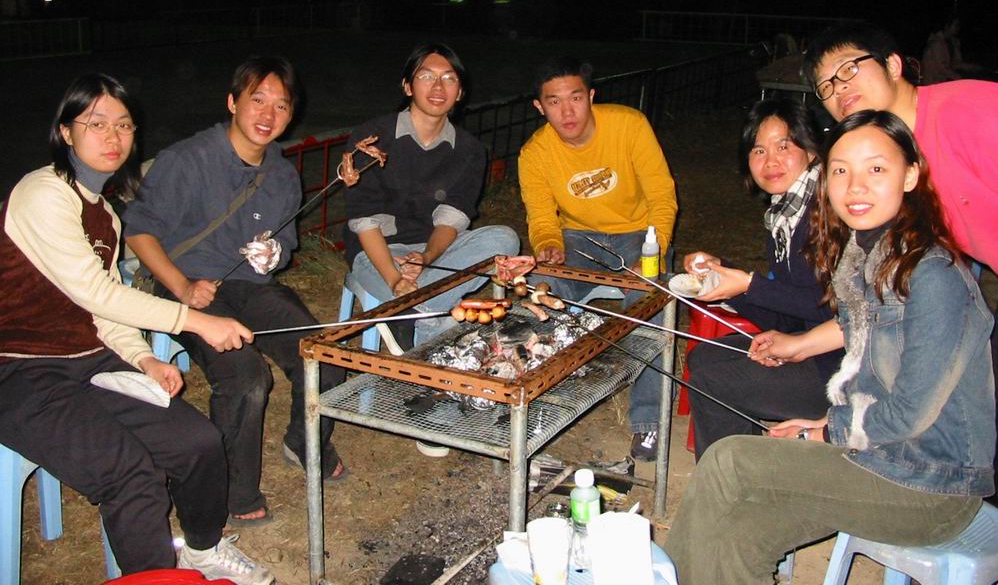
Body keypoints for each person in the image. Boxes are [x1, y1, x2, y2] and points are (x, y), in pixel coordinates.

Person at [665, 110, 995, 584]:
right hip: (878, 457)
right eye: (841, 170)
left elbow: (909, 415)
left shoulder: (933, 275)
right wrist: (820, 417)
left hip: (928, 484)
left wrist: (820, 434)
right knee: (740, 531)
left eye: (875, 168)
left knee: (729, 460)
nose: (855, 186)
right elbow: (862, 354)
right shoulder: (871, 254)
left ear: (910, 176)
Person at [0, 74, 275, 584]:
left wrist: (143, 358)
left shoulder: (106, 215)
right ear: (66, 132)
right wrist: (196, 321)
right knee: (131, 474)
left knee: (197, 442)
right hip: (19, 367)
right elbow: (95, 292)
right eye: (97, 124)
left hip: (88, 360)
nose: (113, 137)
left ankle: (202, 548)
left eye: (124, 125)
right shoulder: (42, 193)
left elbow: (105, 314)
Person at [803, 21, 998, 531]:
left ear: (894, 65)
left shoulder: (971, 112)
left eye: (849, 68)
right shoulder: (893, 164)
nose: (839, 89)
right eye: (826, 85)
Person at [123, 57, 347, 527]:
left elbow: (284, 243)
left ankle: (303, 442)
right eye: (257, 100)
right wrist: (182, 286)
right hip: (183, 287)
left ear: (291, 114)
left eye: (280, 106)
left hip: (250, 285)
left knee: (324, 354)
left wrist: (274, 255)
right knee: (246, 378)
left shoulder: (281, 175)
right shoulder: (187, 160)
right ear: (232, 102)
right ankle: (232, 488)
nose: (268, 115)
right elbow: (138, 231)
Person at [518, 57, 677, 461]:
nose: (566, 111)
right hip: (579, 237)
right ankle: (536, 409)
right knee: (542, 294)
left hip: (640, 233)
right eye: (554, 102)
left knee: (649, 301)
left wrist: (654, 250)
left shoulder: (628, 125)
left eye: (575, 98)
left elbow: (662, 195)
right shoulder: (535, 153)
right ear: (539, 107)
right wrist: (548, 245)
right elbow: (542, 219)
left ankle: (648, 420)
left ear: (590, 96)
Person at [681, 99, 839, 459]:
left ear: (811, 152)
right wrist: (726, 282)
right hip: (808, 345)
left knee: (713, 381)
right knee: (705, 358)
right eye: (758, 150)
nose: (770, 162)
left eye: (784, 146)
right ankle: (748, 461)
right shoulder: (783, 218)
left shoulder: (828, 212)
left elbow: (832, 308)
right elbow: (787, 318)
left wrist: (749, 284)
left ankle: (726, 477)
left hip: (839, 367)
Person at [342, 42, 520, 350]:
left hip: (438, 252)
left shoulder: (469, 149)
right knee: (423, 300)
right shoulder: (371, 140)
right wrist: (395, 279)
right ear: (407, 86)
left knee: (504, 238)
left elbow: (451, 219)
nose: (438, 87)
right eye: (426, 76)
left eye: (449, 78)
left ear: (460, 92)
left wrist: (426, 258)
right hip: (378, 253)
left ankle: (414, 313)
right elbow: (364, 220)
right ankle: (428, 322)